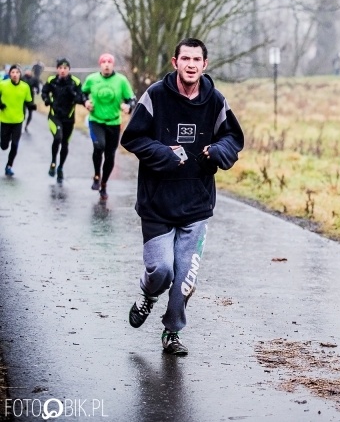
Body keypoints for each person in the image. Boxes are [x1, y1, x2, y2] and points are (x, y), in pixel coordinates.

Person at [121, 37, 244, 356]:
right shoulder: (156, 96)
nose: (191, 64)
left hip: (197, 204)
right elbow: (133, 138)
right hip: (157, 203)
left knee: (185, 280)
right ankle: (147, 296)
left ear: (205, 65)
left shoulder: (215, 100)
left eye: (196, 60)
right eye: (185, 59)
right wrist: (164, 153)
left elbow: (233, 137)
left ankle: (172, 332)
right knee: (162, 271)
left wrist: (218, 151)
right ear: (175, 63)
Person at [82, 53, 136, 199]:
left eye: (109, 62)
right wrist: (85, 102)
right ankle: (96, 175)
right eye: (104, 62)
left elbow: (131, 98)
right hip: (96, 120)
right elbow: (82, 93)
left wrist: (128, 106)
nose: (106, 64)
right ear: (100, 64)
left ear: (113, 65)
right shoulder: (92, 79)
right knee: (99, 146)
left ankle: (104, 184)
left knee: (110, 155)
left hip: (114, 122)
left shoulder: (121, 80)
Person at [41, 58, 86, 183]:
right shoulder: (52, 80)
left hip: (69, 118)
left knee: (65, 143)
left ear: (69, 70)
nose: (62, 70)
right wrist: (46, 99)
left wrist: (74, 94)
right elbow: (44, 92)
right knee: (58, 137)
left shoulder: (75, 82)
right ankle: (53, 162)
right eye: (60, 68)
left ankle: (60, 167)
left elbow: (80, 98)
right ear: (57, 69)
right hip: (54, 116)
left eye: (65, 68)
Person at [0, 65, 33, 176]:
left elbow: (28, 100)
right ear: (9, 74)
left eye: (17, 72)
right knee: (4, 146)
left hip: (18, 120)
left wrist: (31, 106)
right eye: (12, 72)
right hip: (5, 119)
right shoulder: (3, 85)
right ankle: (5, 140)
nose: (15, 74)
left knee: (15, 144)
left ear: (20, 74)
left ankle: (9, 166)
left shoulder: (25, 87)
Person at [21, 68, 40, 132]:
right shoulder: (22, 78)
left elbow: (37, 88)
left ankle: (26, 125)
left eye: (30, 71)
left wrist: (37, 90)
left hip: (31, 98)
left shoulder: (34, 79)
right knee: (23, 112)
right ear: (25, 71)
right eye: (27, 70)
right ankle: (20, 124)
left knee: (30, 113)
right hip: (22, 98)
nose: (28, 72)